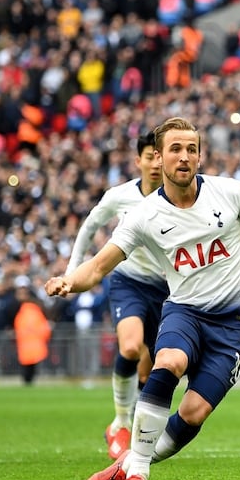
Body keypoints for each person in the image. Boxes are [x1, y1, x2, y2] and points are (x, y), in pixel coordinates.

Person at [45, 116, 240, 480]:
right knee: (168, 362)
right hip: (184, 311)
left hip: (232, 326)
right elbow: (98, 267)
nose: (184, 156)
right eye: (175, 149)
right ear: (158, 158)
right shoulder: (142, 216)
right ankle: (138, 475)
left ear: (200, 156)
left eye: (191, 149)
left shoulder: (231, 193)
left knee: (194, 413)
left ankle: (126, 464)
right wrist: (68, 280)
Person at [64, 131, 167, 460]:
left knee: (151, 371)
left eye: (159, 156)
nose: (155, 163)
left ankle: (132, 426)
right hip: (128, 281)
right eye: (149, 156)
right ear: (139, 161)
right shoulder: (119, 196)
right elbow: (90, 226)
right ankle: (120, 422)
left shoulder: (180, 198)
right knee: (130, 346)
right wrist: (72, 270)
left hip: (167, 290)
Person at [13, 286, 51, 386]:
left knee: (27, 367)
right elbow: (44, 328)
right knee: (32, 366)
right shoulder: (34, 311)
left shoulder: (24, 312)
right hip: (35, 344)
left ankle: (27, 381)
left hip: (26, 344)